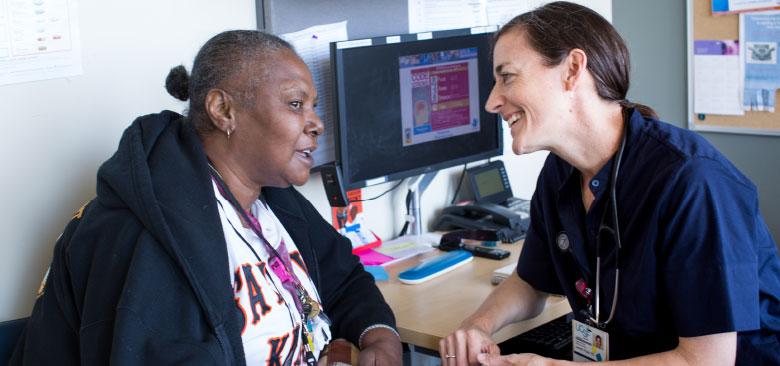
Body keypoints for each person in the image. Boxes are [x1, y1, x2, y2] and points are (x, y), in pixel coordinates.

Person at [11, 30, 402, 365]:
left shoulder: (270, 197)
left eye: (313, 107)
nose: (316, 123)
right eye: (295, 104)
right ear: (222, 110)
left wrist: (379, 337)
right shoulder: (146, 235)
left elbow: (345, 278)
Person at [439, 2, 780, 365]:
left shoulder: (693, 181)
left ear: (572, 70)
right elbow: (531, 281)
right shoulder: (560, 172)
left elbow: (706, 361)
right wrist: (478, 325)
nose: (492, 101)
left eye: (507, 76)